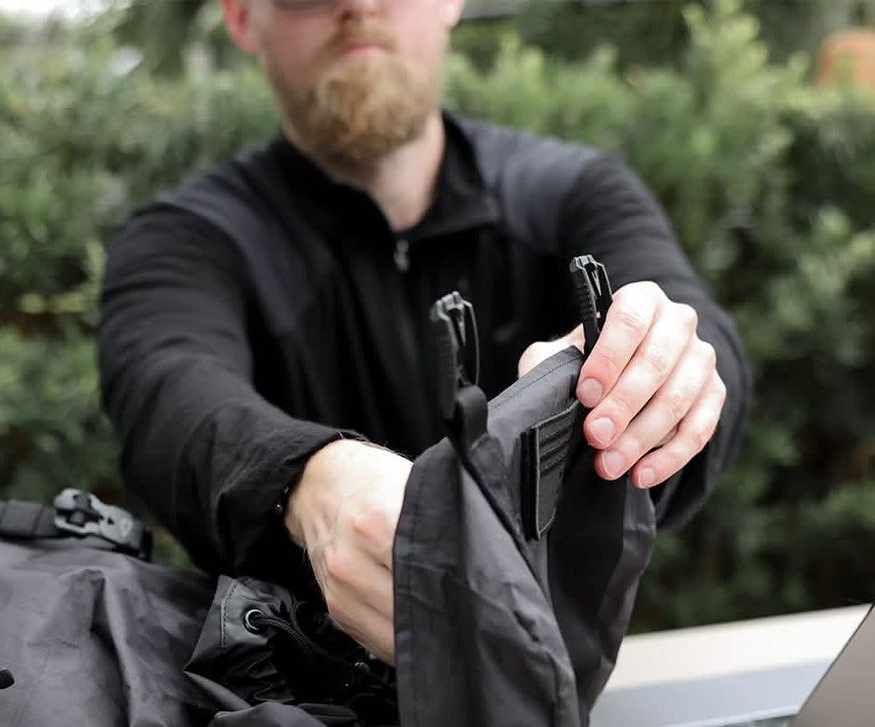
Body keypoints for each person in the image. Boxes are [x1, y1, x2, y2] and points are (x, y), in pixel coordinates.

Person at [97, 0, 749, 665]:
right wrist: (310, 482)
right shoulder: (186, 239)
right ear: (241, 18)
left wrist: (656, 377)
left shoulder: (576, 193)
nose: (357, 5)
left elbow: (697, 333)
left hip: (557, 710)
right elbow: (166, 393)